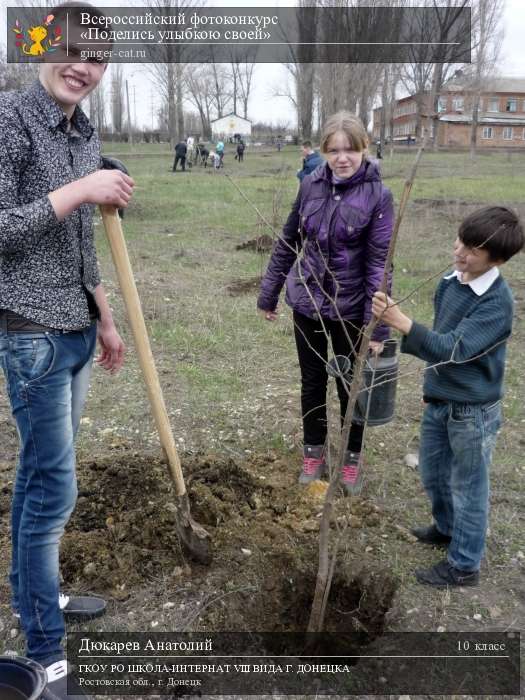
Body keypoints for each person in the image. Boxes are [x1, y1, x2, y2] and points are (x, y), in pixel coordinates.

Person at [0, 3, 134, 698]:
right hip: (31, 335)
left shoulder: (84, 129)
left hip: (77, 329)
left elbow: (79, 241)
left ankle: (36, 598)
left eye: (98, 59)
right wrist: (81, 187)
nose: (84, 66)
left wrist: (104, 317)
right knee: (54, 491)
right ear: (38, 48)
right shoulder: (8, 118)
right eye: (72, 50)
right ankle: (45, 653)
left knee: (40, 480)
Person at [372, 207, 524, 587]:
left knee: (468, 487)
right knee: (434, 473)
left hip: (472, 412)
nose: (460, 252)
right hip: (441, 400)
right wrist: (432, 388)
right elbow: (439, 340)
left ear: (498, 261)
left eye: (472, 250)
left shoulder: (496, 304)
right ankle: (446, 527)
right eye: (460, 241)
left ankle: (464, 565)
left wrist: (401, 322)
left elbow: (453, 348)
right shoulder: (450, 282)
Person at [257, 111, 394, 493]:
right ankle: (313, 451)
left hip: (352, 309)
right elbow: (288, 243)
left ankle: (351, 459)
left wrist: (377, 325)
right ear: (324, 152)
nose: (342, 158)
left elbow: (380, 263)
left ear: (364, 148)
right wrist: (268, 295)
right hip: (308, 303)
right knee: (312, 380)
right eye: (334, 150)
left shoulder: (378, 196)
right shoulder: (310, 186)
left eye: (350, 149)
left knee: (351, 384)